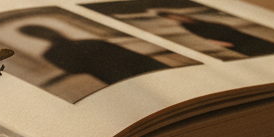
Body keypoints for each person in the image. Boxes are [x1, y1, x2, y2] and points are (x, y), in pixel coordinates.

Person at [18, 24, 171, 85]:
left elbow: (74, 69)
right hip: (128, 73)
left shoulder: (52, 54)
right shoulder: (88, 42)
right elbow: (74, 69)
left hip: (123, 75)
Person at [155, 11, 274, 58]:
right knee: (254, 49)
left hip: (232, 35)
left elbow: (212, 26)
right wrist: (219, 43)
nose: (175, 18)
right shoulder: (186, 24)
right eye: (171, 17)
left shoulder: (192, 20)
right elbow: (203, 36)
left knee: (260, 44)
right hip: (226, 39)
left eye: (173, 16)